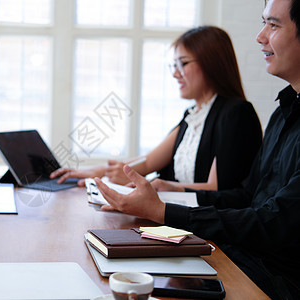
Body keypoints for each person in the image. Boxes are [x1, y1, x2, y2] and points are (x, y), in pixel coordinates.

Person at [95, 0, 300, 298]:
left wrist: (166, 211)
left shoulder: (235, 112)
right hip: (247, 256)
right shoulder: (282, 114)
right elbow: (246, 197)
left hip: (278, 279)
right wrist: (164, 204)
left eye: (273, 24)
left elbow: (275, 222)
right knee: (116, 271)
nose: (260, 36)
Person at [51, 26, 262, 192]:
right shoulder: (193, 115)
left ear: (211, 63)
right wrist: (95, 173)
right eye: (174, 65)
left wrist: (161, 187)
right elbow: (150, 161)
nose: (175, 73)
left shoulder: (236, 113)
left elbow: (217, 189)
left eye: (183, 63)